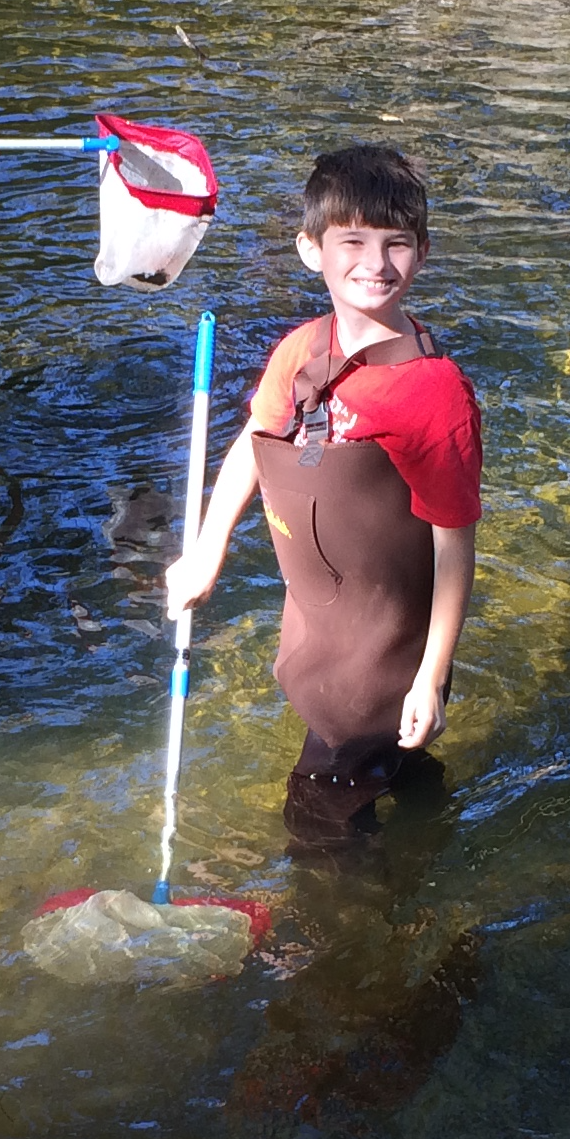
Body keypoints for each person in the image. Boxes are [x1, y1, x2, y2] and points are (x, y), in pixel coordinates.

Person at [165, 145, 481, 845]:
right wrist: (206, 553)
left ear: (422, 253)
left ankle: (336, 944)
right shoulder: (302, 349)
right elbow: (255, 441)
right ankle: (430, 839)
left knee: (316, 819)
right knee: (390, 769)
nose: (375, 262)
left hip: (384, 656)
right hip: (320, 630)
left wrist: (428, 678)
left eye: (396, 244)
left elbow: (454, 544)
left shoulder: (433, 393)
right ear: (312, 250)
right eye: (353, 241)